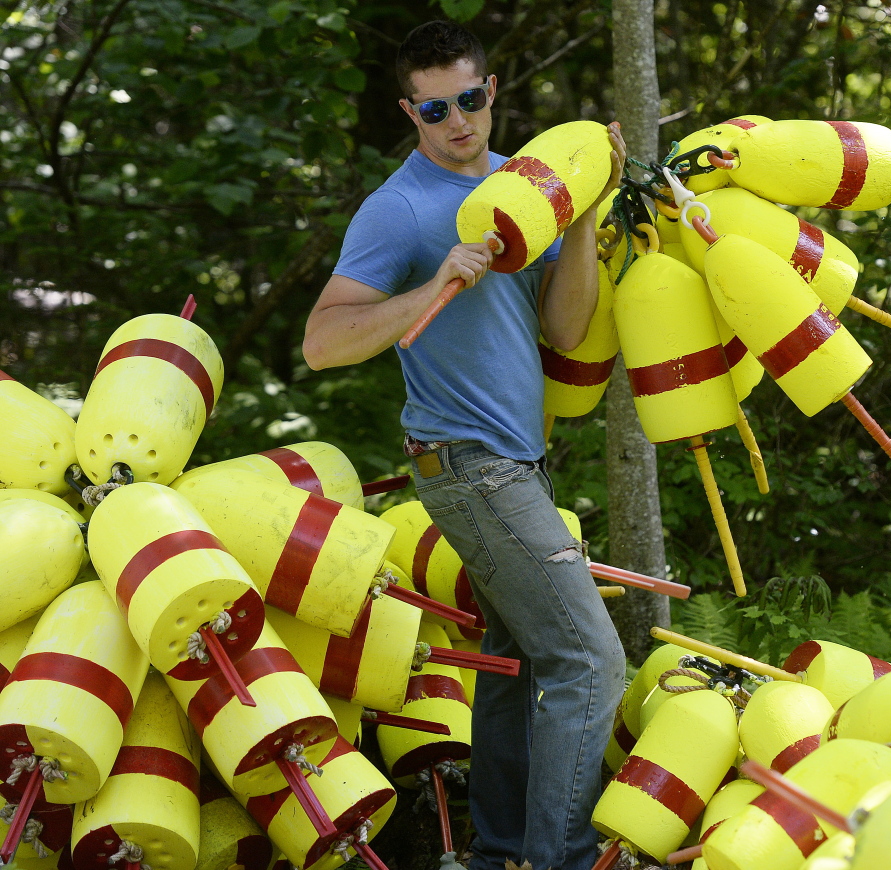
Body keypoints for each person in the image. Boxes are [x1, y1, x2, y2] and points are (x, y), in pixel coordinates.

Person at [303, 20, 626, 870]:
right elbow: (323, 342)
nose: (459, 121)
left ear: (492, 93)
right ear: (411, 112)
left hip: (521, 462)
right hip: (468, 466)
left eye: (471, 99)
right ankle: (558, 857)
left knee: (516, 665)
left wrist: (583, 216)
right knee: (590, 663)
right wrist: (432, 284)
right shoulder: (398, 209)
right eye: (436, 107)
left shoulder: (524, 189)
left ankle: (500, 852)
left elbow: (564, 323)